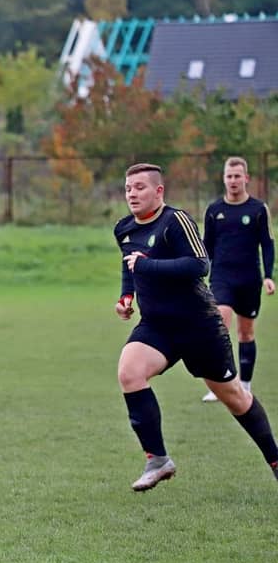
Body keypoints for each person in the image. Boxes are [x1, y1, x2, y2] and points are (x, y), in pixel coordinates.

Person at [114, 163, 278, 491]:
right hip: (157, 326)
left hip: (198, 325)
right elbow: (130, 267)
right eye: (128, 188)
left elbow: (199, 264)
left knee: (234, 397)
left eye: (140, 187)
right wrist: (126, 297)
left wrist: (148, 265)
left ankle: (275, 460)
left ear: (159, 191)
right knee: (129, 373)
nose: (132, 193)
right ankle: (157, 459)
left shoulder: (175, 221)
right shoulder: (124, 229)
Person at [199, 157, 274, 402]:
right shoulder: (214, 210)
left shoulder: (258, 209)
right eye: (229, 176)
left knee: (245, 333)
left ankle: (245, 385)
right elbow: (206, 247)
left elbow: (267, 244)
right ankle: (221, 385)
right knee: (220, 324)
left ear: (246, 178)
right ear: (224, 179)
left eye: (237, 176)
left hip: (249, 279)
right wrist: (197, 274)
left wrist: (268, 276)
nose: (233, 180)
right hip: (221, 277)